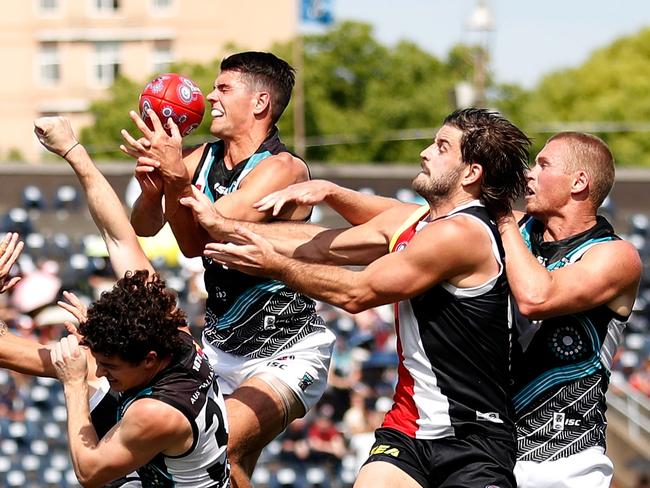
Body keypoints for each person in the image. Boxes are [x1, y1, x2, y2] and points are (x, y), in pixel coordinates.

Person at [180, 108, 531, 488]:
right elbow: (319, 247)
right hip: (408, 430)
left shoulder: (462, 233)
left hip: (472, 436)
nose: (425, 152)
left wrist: (273, 264)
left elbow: (355, 292)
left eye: (442, 146)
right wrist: (225, 226)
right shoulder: (419, 222)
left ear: (471, 173)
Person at [120, 51, 335, 487]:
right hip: (219, 348)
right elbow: (145, 226)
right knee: (226, 466)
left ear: (259, 103)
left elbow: (204, 240)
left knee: (219, 445)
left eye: (223, 88)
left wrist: (176, 179)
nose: (209, 97)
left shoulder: (282, 168)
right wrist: (151, 189)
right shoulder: (201, 158)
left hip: (285, 350)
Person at [30, 116, 230, 487]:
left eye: (112, 365)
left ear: (150, 359)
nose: (105, 372)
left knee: (80, 376)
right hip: (171, 465)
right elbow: (119, 237)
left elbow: (88, 473)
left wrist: (73, 386)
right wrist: (74, 151)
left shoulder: (156, 412)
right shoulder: (172, 330)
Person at [497, 132, 642, 488]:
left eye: (543, 164)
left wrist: (499, 217)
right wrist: (335, 193)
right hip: (491, 450)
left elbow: (536, 299)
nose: (529, 173)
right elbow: (416, 217)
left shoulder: (615, 256)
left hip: (565, 461)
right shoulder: (517, 229)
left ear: (579, 182)